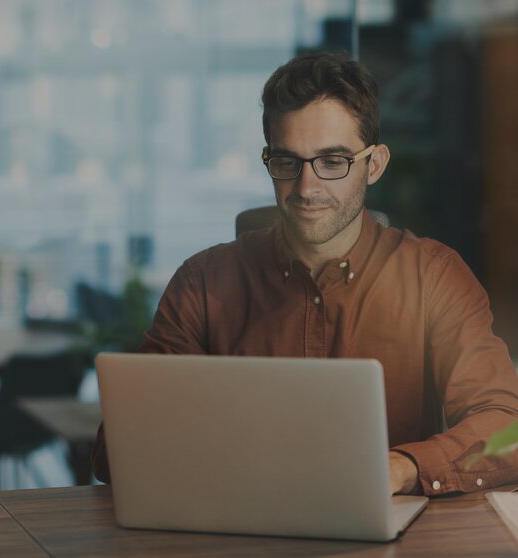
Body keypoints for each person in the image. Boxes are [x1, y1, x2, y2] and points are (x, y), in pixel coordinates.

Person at [92, 51, 518, 495]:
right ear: (268, 161)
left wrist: (401, 467)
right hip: (236, 526)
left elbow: (507, 429)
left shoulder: (434, 277)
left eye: (332, 162)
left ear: (374, 164)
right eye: (287, 162)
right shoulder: (203, 284)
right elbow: (117, 448)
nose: (307, 187)